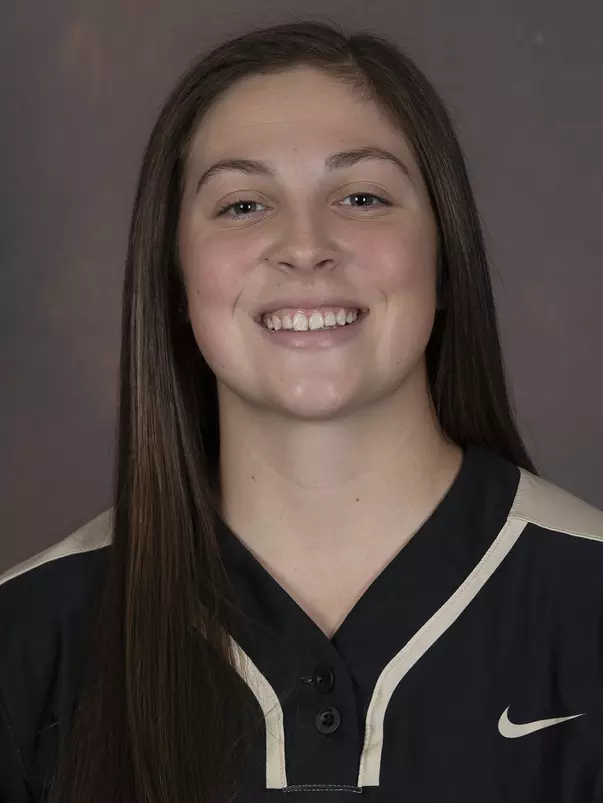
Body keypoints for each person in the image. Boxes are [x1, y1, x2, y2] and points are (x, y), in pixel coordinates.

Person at [1, 19, 602, 803]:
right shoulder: (28, 634)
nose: (304, 244)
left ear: (444, 254)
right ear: (175, 278)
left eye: (361, 196)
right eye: (243, 204)